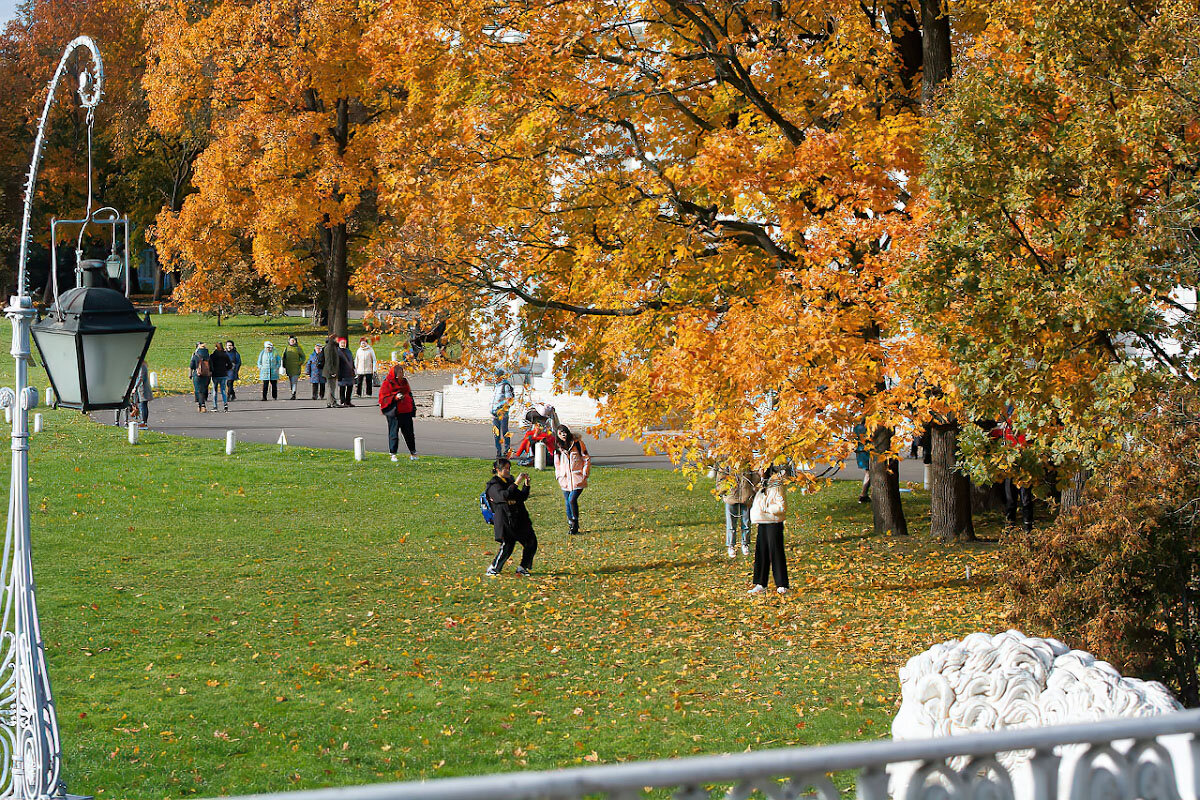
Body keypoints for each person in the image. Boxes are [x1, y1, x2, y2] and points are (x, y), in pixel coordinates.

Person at [485, 459, 537, 577]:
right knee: (507, 546)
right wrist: (515, 484)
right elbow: (504, 496)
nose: (508, 471)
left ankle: (522, 567)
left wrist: (526, 485)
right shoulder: (493, 485)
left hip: (519, 519)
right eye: (505, 468)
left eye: (509, 468)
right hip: (505, 521)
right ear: (498, 470)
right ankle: (494, 568)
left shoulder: (509, 482)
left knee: (531, 542)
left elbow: (521, 497)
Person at [749, 465, 789, 595]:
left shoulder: (776, 483)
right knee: (761, 552)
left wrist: (768, 509)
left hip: (773, 522)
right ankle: (760, 583)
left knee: (776, 552)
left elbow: (781, 506)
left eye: (761, 468)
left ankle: (782, 584)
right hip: (762, 521)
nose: (758, 471)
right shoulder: (762, 484)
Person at [553, 424, 590, 535]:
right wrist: (559, 476)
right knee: (567, 501)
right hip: (565, 479)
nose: (563, 435)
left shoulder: (577, 444)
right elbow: (557, 464)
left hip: (577, 478)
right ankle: (571, 524)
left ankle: (575, 521)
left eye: (564, 432)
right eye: (560, 433)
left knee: (572, 499)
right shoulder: (558, 447)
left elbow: (586, 458)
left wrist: (585, 472)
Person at [379, 363, 419, 461]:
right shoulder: (387, 383)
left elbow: (409, 393)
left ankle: (413, 452)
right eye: (399, 373)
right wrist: (395, 398)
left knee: (409, 433)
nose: (401, 375)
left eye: (402, 373)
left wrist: (412, 407)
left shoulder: (404, 382)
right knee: (394, 433)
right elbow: (383, 398)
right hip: (394, 413)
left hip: (406, 412)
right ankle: (393, 453)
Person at [716, 467, 757, 558]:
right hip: (731, 496)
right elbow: (720, 478)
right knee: (731, 524)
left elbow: (754, 477)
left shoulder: (747, 461)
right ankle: (731, 545)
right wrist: (723, 491)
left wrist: (753, 490)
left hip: (745, 496)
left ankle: (745, 543)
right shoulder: (727, 462)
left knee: (746, 522)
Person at [490, 368, 515, 458]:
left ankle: (507, 451)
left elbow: (509, 400)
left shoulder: (505, 386)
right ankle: (498, 452)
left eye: (496, 376)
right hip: (494, 414)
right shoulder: (496, 386)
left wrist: (499, 406)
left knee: (505, 432)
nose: (495, 378)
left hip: (503, 414)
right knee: (496, 434)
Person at [282, 335, 307, 400]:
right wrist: (284, 365)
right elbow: (284, 358)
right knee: (291, 381)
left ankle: (294, 393)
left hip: (296, 368)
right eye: (291, 341)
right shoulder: (287, 348)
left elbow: (303, 357)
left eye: (293, 341)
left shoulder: (298, 348)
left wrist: (299, 363)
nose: (292, 342)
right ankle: (292, 392)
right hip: (289, 367)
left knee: (294, 381)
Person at [189, 341, 211, 412]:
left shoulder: (196, 356)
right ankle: (202, 404)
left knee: (199, 390)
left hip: (197, 375)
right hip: (207, 375)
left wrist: (190, 374)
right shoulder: (208, 356)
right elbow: (212, 367)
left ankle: (201, 405)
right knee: (204, 389)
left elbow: (191, 366)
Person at [210, 344, 232, 411]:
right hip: (223, 374)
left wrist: (212, 371)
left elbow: (210, 365)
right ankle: (225, 404)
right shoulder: (225, 355)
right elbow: (230, 365)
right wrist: (226, 369)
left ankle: (215, 406)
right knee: (223, 390)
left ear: (216, 347)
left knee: (214, 390)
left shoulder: (212, 356)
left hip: (215, 375)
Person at [853, 421, 871, 503]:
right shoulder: (868, 427)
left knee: (868, 472)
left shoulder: (856, 427)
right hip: (867, 451)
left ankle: (865, 494)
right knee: (869, 473)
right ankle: (863, 495)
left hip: (860, 451)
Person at [322, 334, 340, 407]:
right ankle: (332, 402)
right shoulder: (329, 347)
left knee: (331, 387)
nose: (338, 340)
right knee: (331, 387)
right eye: (337, 339)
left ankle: (330, 402)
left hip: (331, 370)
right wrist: (332, 371)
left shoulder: (333, 346)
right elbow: (329, 361)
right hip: (330, 371)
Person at [132, 360, 152, 428]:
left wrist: (135, 387)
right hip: (140, 389)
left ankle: (144, 422)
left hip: (143, 389)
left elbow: (141, 377)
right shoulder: (141, 365)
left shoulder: (142, 366)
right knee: (141, 405)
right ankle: (142, 421)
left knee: (143, 405)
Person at [336, 337, 355, 407]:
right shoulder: (337, 352)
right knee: (342, 387)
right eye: (342, 343)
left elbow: (352, 360)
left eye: (344, 343)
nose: (343, 344)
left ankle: (348, 401)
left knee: (350, 387)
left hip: (349, 372)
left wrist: (353, 368)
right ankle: (342, 401)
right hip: (342, 372)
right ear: (339, 343)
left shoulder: (348, 351)